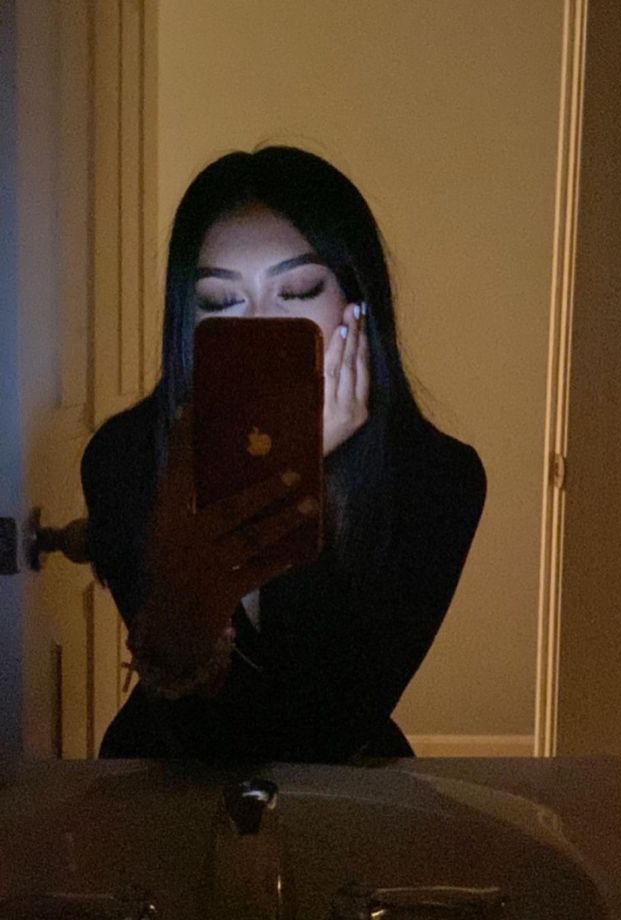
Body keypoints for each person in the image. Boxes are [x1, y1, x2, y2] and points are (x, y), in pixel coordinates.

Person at [82, 146, 486, 764]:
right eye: (219, 303)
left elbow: (325, 729)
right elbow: (200, 726)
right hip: (160, 784)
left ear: (357, 304)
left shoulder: (438, 478)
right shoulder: (125, 456)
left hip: (342, 801)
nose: (257, 327)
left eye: (297, 290)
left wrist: (305, 469)